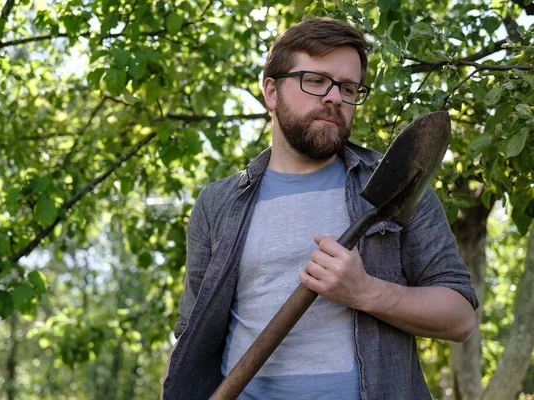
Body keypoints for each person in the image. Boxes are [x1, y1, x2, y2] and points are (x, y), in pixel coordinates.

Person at [162, 17, 478, 400]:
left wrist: (365, 292)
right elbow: (190, 337)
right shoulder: (218, 204)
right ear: (271, 92)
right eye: (315, 80)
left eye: (348, 88)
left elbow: (461, 316)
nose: (334, 97)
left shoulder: (392, 184)